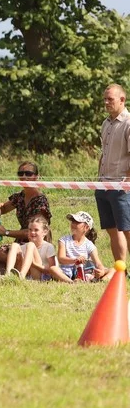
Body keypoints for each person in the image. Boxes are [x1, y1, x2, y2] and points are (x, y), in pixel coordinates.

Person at [0, 160, 51, 275]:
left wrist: (6, 232)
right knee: (0, 252)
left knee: (12, 254)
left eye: (28, 173)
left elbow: (31, 231)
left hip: (36, 241)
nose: (24, 176)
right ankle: (15, 271)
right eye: (20, 173)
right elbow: (3, 208)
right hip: (21, 241)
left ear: (36, 177)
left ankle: (21, 272)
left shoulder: (40, 201)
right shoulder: (20, 197)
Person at [96, 84, 130, 263]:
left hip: (122, 186)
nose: (106, 102)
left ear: (122, 100)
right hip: (103, 184)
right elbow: (104, 153)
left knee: (127, 229)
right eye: (105, 99)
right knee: (112, 229)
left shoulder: (128, 123)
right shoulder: (105, 123)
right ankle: (121, 270)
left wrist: (127, 184)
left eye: (110, 99)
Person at [54, 211, 115, 283]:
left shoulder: (89, 244)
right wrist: (75, 260)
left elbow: (98, 263)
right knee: (53, 269)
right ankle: (71, 282)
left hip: (84, 272)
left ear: (86, 227)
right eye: (73, 221)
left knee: (113, 270)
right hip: (67, 272)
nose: (73, 224)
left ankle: (101, 280)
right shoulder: (64, 240)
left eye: (77, 222)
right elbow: (61, 259)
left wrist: (101, 271)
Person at [4, 216, 54, 280]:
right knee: (14, 245)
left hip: (40, 277)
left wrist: (34, 264)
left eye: (36, 230)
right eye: (30, 230)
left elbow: (52, 270)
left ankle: (22, 275)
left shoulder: (48, 247)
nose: (32, 232)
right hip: (28, 276)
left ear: (45, 232)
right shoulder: (24, 247)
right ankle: (8, 274)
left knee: (31, 245)